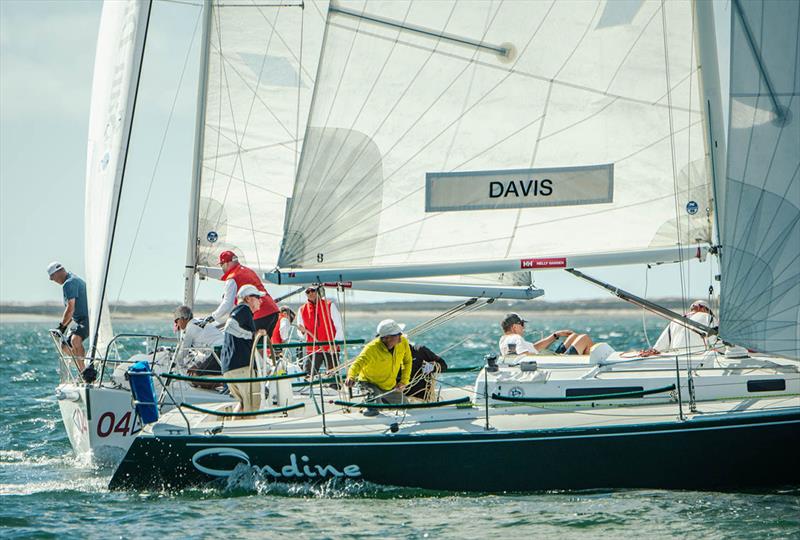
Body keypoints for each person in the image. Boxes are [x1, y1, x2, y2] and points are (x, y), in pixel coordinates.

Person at [345, 319, 412, 416]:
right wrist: (351, 376)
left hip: (389, 386)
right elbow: (357, 364)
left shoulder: (403, 342)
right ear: (387, 338)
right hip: (368, 383)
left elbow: (407, 361)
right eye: (398, 334)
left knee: (406, 407)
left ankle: (376, 401)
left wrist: (404, 381)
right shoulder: (371, 349)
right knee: (373, 410)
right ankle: (369, 404)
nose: (401, 336)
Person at [205, 250, 280, 335]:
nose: (222, 268)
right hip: (273, 310)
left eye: (222, 265)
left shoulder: (232, 278)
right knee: (265, 345)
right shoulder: (248, 271)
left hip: (259, 313)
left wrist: (213, 317)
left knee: (252, 345)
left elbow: (227, 303)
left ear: (226, 263)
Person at [220, 284, 267, 413]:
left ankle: (233, 429)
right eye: (258, 297)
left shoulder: (239, 311)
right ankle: (248, 431)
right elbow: (230, 326)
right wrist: (252, 334)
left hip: (229, 368)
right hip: (241, 367)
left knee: (243, 405)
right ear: (248, 299)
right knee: (252, 406)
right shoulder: (243, 309)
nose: (261, 301)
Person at [47, 262, 89, 372]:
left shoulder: (69, 283)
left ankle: (84, 372)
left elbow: (70, 308)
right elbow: (72, 312)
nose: (51, 280)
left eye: (52, 277)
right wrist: (63, 328)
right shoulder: (71, 280)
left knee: (75, 340)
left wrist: (61, 326)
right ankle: (83, 368)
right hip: (79, 320)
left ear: (58, 272)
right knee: (64, 346)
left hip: (87, 318)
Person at [640, 300, 716, 356]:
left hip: (676, 358)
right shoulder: (708, 317)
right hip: (698, 358)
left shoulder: (676, 320)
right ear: (702, 308)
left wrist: (654, 350)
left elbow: (661, 344)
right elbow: (717, 342)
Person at [296, 285, 343, 376]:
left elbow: (339, 327)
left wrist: (335, 344)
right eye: (308, 292)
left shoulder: (329, 305)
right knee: (308, 376)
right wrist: (302, 332)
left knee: (333, 378)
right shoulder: (302, 310)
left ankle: (334, 388)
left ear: (318, 291)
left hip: (330, 348)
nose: (310, 293)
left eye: (312, 290)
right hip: (313, 349)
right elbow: (300, 332)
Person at [498, 313, 594, 356]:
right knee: (584, 338)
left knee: (573, 337)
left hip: (549, 359)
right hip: (551, 363)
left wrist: (556, 335)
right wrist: (543, 356)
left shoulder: (504, 339)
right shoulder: (516, 338)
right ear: (514, 327)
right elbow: (523, 355)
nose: (524, 327)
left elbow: (534, 348)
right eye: (522, 324)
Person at [172, 305, 224, 372]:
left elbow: (183, 352)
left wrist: (175, 363)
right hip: (226, 349)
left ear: (182, 319)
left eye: (176, 321)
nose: (177, 325)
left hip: (217, 353)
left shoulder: (189, 329)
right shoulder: (200, 320)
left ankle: (218, 383)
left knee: (194, 374)